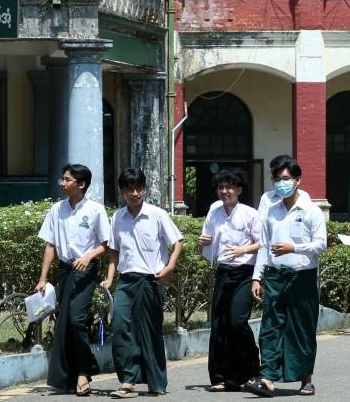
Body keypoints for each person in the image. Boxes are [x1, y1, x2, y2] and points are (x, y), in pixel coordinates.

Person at [244, 155, 326, 398]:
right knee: (270, 327)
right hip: (276, 276)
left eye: (287, 179)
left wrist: (294, 248)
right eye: (278, 179)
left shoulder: (311, 210)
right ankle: (267, 378)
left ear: (298, 180)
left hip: (302, 277)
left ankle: (306, 379)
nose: (282, 183)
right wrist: (257, 277)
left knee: (302, 329)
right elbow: (264, 246)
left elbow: (321, 244)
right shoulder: (271, 211)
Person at [103, 167, 184, 398]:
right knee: (121, 327)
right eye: (130, 190)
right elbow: (114, 251)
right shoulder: (117, 217)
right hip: (126, 281)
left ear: (145, 189)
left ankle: (156, 382)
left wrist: (169, 268)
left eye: (139, 189)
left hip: (152, 280)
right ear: (122, 192)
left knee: (150, 331)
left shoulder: (157, 214)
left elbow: (177, 242)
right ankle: (127, 381)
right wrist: (110, 278)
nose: (135, 193)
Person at [35, 163, 111, 397]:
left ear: (81, 184)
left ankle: (83, 372)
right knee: (65, 322)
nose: (63, 183)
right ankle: (74, 374)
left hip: (85, 271)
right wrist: (43, 278)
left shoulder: (96, 210)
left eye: (67, 180)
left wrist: (88, 257)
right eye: (63, 179)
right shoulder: (57, 210)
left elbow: (106, 244)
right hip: (65, 270)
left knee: (77, 320)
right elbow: (50, 244)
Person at [198, 168, 262, 392]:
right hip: (224, 272)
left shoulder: (250, 214)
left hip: (245, 272)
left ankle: (252, 369)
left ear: (239, 189)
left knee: (237, 322)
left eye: (229, 187)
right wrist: (201, 242)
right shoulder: (214, 212)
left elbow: (262, 244)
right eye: (220, 187)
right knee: (220, 325)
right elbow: (205, 248)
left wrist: (243, 249)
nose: (224, 191)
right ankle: (222, 377)